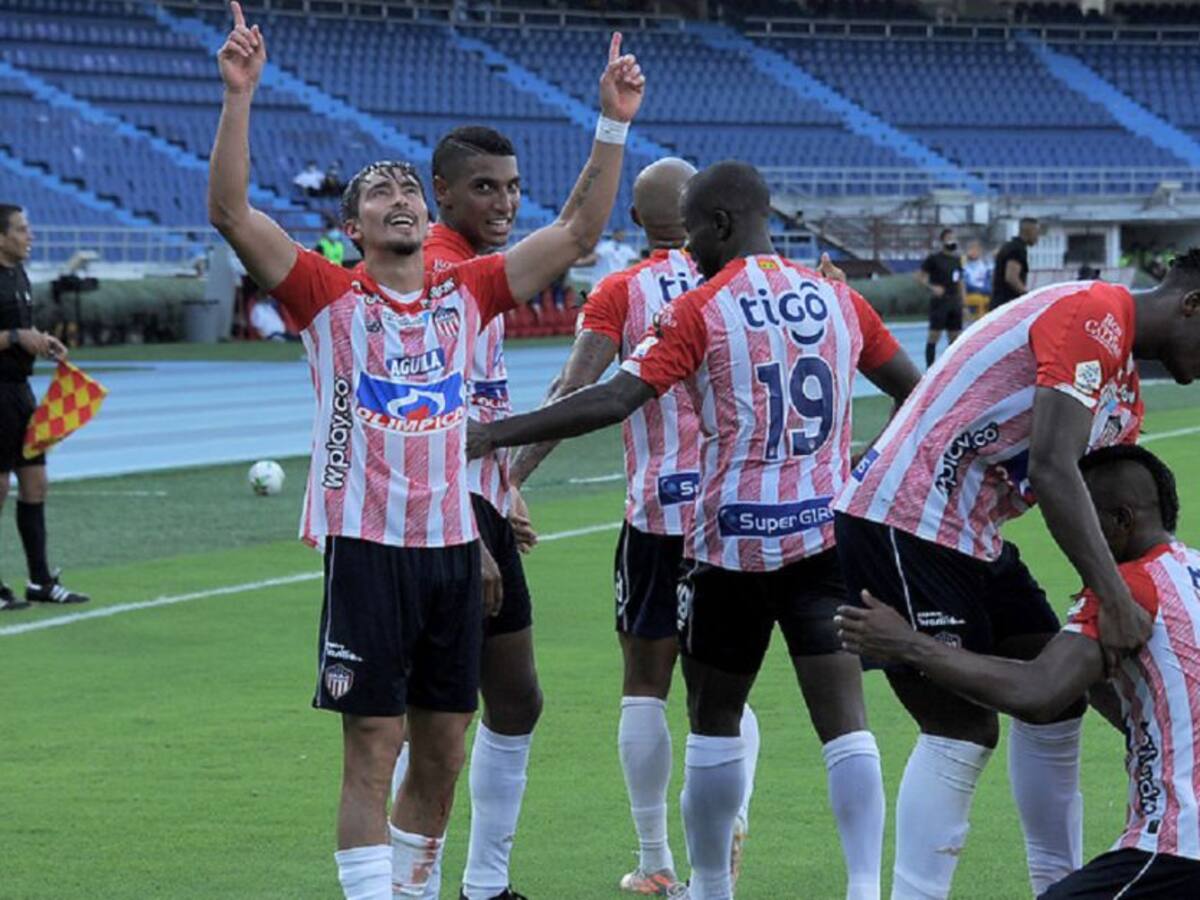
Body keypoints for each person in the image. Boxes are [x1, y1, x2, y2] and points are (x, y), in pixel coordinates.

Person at [206, 6, 645, 897]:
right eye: (380, 194)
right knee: (376, 743)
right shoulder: (323, 295)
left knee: (445, 746)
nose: (400, 198)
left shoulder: (470, 291)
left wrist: (613, 123)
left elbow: (577, 235)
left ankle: (416, 889)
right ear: (356, 228)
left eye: (409, 188)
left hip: (452, 550)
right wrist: (239, 96)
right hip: (369, 549)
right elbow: (229, 210)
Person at [468, 160, 922, 900]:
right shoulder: (839, 301)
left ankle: (707, 886)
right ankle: (866, 890)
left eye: (696, 236)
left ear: (718, 225)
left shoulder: (702, 309)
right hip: (825, 537)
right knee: (846, 722)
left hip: (729, 547)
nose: (690, 254)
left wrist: (496, 435)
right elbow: (919, 394)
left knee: (713, 718)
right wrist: (865, 462)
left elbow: (610, 398)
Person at [833, 250, 1200, 898]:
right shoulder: (1094, 314)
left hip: (973, 535)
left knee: (1058, 700)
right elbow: (1055, 469)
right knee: (961, 728)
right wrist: (1112, 602)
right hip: (904, 515)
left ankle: (1059, 887)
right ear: (1193, 306)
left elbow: (1107, 514)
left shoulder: (1124, 400)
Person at [506, 156, 763, 896]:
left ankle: (655, 860)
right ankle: (730, 822)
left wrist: (510, 477)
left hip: (656, 513)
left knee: (644, 688)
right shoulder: (747, 283)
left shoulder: (623, 290)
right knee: (726, 690)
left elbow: (573, 389)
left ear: (637, 222)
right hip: (734, 512)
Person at [837, 444, 1200, 899]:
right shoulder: (1192, 569)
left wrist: (907, 643)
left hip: (1176, 852)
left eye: (1082, 521)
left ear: (1122, 520)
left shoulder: (1126, 590)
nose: (1071, 538)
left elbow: (1039, 692)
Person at [385, 123, 540, 900]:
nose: (505, 201)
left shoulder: (474, 269)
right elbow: (422, 414)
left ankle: (484, 884)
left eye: (512, 186)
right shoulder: (437, 273)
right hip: (443, 514)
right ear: (440, 191)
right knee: (439, 718)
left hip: (478, 502)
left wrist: (503, 494)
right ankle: (414, 882)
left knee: (512, 698)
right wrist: (464, 527)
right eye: (485, 187)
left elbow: (475, 404)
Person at [0, 204, 87, 611]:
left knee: (35, 484)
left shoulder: (20, 275)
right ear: (1, 236)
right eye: (21, 229)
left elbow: (17, 332)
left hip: (20, 391)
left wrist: (40, 341)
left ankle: (40, 581)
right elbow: (10, 333)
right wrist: (17, 336)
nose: (29, 236)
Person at [915, 228, 964, 367]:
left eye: (954, 238)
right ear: (942, 241)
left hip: (954, 301)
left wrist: (963, 302)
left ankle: (952, 368)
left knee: (955, 339)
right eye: (949, 238)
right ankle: (930, 369)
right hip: (940, 302)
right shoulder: (934, 259)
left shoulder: (957, 260)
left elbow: (960, 281)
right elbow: (919, 277)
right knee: (934, 336)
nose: (952, 241)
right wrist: (932, 287)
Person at [991, 216, 1039, 308]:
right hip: (1007, 303)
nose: (1037, 237)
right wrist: (1027, 296)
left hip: (998, 301)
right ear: (1029, 231)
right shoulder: (1017, 249)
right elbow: (1011, 278)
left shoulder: (1009, 246)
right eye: (1036, 232)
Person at [961, 239, 991, 324]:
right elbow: (965, 285)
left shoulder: (985, 265)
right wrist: (979, 289)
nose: (974, 251)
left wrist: (985, 290)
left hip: (984, 302)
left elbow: (988, 284)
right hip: (970, 301)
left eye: (976, 249)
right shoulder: (963, 266)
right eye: (971, 249)